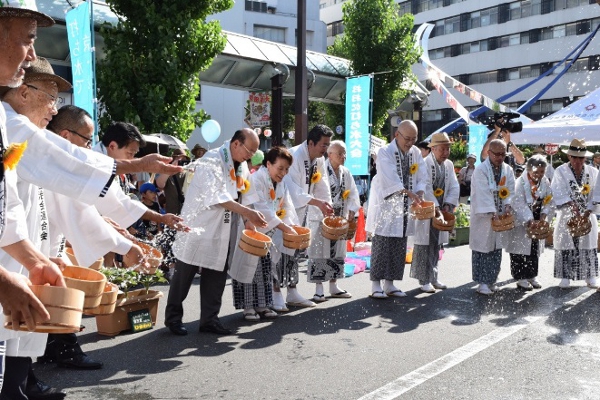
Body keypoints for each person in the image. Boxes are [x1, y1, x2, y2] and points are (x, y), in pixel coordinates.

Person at [165, 128, 267, 336]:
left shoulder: (242, 166)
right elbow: (217, 197)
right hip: (197, 224)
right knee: (184, 272)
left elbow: (246, 195)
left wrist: (248, 220)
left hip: (223, 226)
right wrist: (247, 212)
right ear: (236, 144)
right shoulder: (211, 160)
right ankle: (173, 318)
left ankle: (209, 319)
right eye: (249, 150)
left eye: (254, 153)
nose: (250, 156)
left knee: (216, 273)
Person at [229, 146, 298, 320]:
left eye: (286, 169)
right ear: (268, 164)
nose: (283, 173)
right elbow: (261, 207)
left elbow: (286, 206)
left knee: (265, 268)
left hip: (269, 230)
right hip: (251, 227)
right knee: (249, 268)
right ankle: (248, 307)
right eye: (280, 168)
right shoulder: (257, 178)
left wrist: (292, 226)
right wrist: (284, 227)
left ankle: (263, 304)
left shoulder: (281, 183)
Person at [365, 120, 427, 299]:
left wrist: (420, 192)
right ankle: (376, 284)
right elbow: (390, 177)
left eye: (413, 139)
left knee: (399, 244)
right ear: (396, 135)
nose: (410, 143)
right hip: (387, 203)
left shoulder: (415, 152)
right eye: (407, 138)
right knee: (382, 243)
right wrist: (409, 193)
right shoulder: (385, 152)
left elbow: (421, 175)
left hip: (406, 204)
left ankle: (390, 284)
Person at [283, 124, 335, 308]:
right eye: (323, 145)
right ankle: (276, 293)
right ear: (311, 143)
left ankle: (292, 291)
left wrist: (326, 205)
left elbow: (322, 185)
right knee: (281, 253)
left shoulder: (319, 160)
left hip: (303, 210)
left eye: (328, 145)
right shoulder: (294, 156)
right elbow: (291, 189)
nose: (326, 149)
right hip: (286, 210)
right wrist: (317, 202)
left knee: (295, 253)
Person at [308, 140, 359, 302]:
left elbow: (353, 193)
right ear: (330, 155)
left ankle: (333, 285)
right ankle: (318, 288)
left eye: (344, 153)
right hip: (321, 218)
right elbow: (313, 193)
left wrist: (351, 210)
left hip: (340, 218)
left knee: (337, 252)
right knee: (320, 252)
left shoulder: (346, 172)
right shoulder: (319, 170)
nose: (344, 156)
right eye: (340, 153)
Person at [410, 132, 459, 293]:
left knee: (436, 245)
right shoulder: (425, 164)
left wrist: (448, 204)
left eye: (447, 149)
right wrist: (436, 207)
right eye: (442, 149)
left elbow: (454, 185)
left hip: (440, 209)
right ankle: (424, 279)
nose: (445, 153)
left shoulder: (449, 165)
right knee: (424, 245)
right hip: (427, 209)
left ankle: (434, 276)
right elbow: (426, 187)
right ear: (433, 148)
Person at [469, 139, 515, 295]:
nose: (500, 157)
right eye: (497, 154)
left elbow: (510, 189)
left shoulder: (507, 169)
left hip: (500, 215)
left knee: (496, 249)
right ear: (489, 153)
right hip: (484, 216)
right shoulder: (480, 170)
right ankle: (482, 282)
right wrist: (492, 211)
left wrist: (508, 205)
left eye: (503, 154)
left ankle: (492, 280)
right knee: (483, 248)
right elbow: (482, 193)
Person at [553, 139, 598, 289]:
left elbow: (597, 194)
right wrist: (572, 205)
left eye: (581, 157)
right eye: (575, 157)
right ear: (569, 157)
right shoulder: (560, 171)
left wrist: (588, 210)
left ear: (585, 158)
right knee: (566, 243)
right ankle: (565, 276)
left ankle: (590, 276)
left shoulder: (593, 172)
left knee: (588, 244)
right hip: (567, 213)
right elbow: (558, 191)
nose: (578, 161)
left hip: (587, 213)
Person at [506, 155, 555, 290]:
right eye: (536, 172)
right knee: (520, 248)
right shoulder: (520, 182)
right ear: (528, 169)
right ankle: (520, 277)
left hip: (538, 216)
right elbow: (518, 202)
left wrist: (544, 215)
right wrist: (529, 218)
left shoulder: (544, 181)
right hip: (523, 219)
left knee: (534, 248)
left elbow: (549, 199)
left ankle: (532, 275)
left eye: (542, 172)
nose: (539, 175)